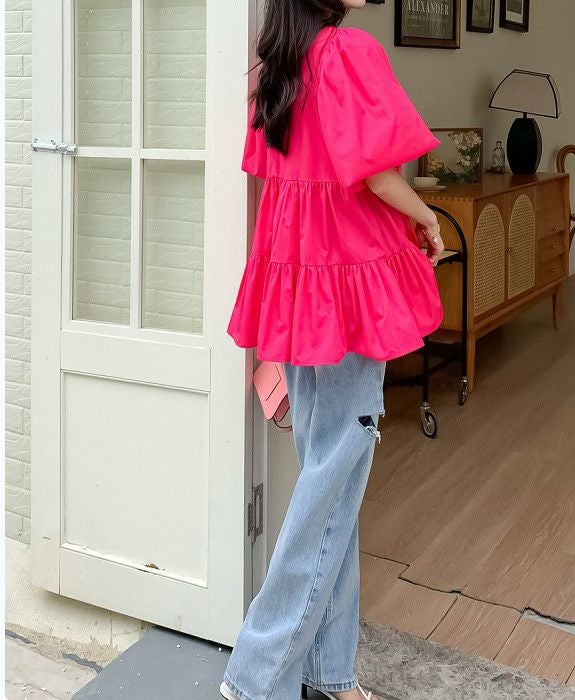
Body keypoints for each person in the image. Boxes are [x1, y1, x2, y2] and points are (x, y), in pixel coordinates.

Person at [221, 0, 444, 698]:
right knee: (330, 488)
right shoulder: (347, 53)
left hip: (300, 286)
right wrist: (427, 216)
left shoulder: (279, 62)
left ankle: (330, 673)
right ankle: (255, 679)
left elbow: (280, 176)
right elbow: (375, 174)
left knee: (331, 486)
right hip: (345, 291)